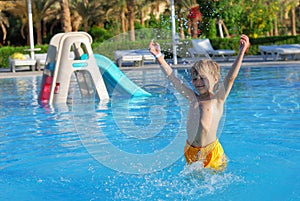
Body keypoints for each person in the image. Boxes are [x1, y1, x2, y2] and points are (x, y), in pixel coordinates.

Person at [149, 35, 250, 171]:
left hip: (211, 153)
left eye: (203, 78)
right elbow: (173, 79)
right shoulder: (192, 98)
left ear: (215, 79)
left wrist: (241, 53)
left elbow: (231, 77)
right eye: (195, 79)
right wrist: (159, 57)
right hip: (190, 151)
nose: (198, 82)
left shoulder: (217, 99)